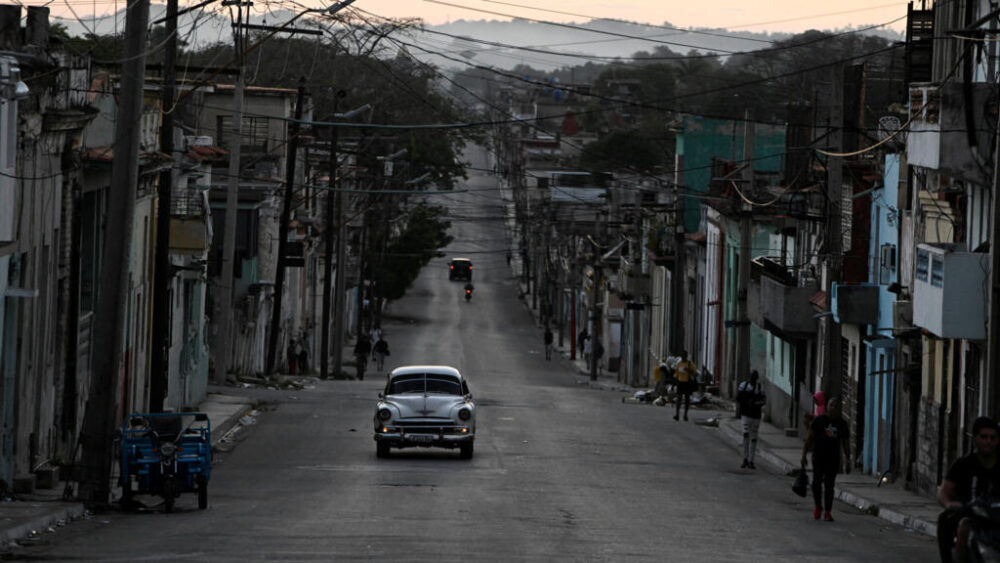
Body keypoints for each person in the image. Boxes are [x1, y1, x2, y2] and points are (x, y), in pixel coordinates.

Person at [937, 416, 1000, 563]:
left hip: (996, 516)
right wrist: (950, 504)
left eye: (992, 437)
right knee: (958, 524)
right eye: (984, 437)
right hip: (972, 514)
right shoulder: (964, 464)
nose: (988, 441)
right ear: (975, 438)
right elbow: (944, 491)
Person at [801, 396, 850, 522]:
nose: (833, 408)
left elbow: (845, 443)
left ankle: (828, 511)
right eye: (831, 405)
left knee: (829, 486)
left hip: (833, 459)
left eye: (835, 406)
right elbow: (809, 438)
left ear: (838, 409)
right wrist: (803, 455)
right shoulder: (819, 421)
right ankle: (818, 506)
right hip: (818, 458)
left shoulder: (842, 424)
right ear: (827, 407)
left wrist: (848, 460)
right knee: (816, 483)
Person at [737, 369, 766, 469]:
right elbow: (738, 398)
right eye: (752, 376)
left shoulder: (760, 388)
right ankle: (745, 458)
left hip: (755, 416)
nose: (753, 379)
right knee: (746, 435)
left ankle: (751, 460)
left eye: (754, 377)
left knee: (753, 438)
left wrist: (755, 403)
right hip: (746, 415)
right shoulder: (744, 386)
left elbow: (763, 401)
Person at [673, 351, 696, 421]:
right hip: (680, 382)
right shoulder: (679, 364)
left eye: (684, 356)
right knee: (679, 398)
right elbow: (676, 373)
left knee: (687, 399)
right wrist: (675, 380)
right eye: (682, 356)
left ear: (686, 356)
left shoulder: (690, 364)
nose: (683, 357)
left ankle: (685, 415)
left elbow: (694, 373)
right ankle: (677, 414)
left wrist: (688, 370)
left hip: (687, 383)